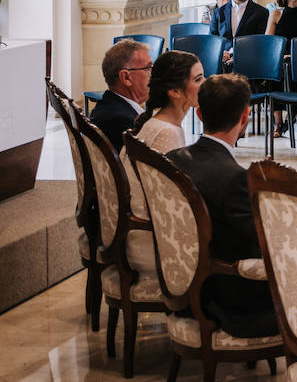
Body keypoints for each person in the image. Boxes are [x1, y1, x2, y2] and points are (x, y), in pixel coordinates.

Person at [167, 74, 278, 338]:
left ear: (200, 113)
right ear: (244, 117)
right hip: (230, 304)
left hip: (182, 288)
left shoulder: (172, 160)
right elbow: (263, 240)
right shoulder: (234, 178)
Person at [122, 50, 203, 272]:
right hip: (152, 245)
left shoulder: (157, 121)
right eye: (198, 79)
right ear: (175, 91)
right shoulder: (167, 132)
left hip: (147, 234)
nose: (205, 84)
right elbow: (169, 204)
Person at [90, 39, 153, 153]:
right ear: (126, 77)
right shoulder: (124, 122)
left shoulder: (108, 105)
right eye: (148, 68)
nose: (153, 74)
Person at [210, 0, 268, 66]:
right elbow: (212, 40)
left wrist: (241, 56)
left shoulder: (261, 12)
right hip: (223, 62)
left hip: (249, 61)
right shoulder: (218, 13)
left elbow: (261, 43)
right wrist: (221, 52)